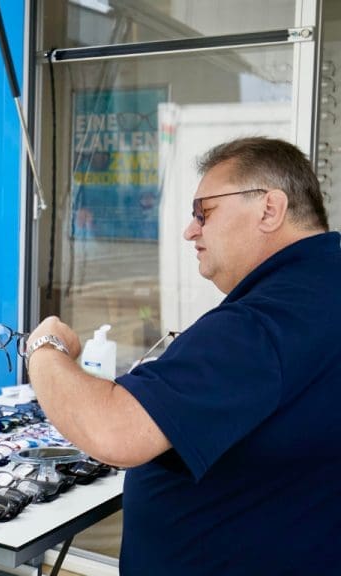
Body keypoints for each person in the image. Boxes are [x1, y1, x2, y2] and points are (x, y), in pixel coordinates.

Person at [24, 136, 340, 575]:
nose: (191, 230)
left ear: (269, 209)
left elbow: (113, 432)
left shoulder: (263, 322)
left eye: (203, 212)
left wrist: (44, 349)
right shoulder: (323, 288)